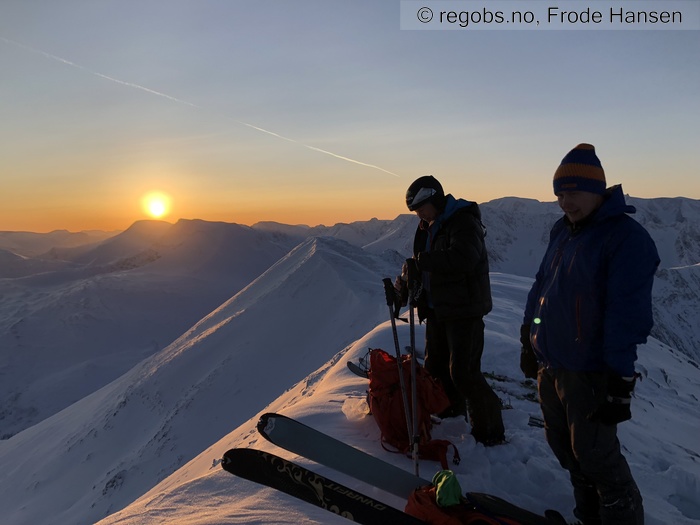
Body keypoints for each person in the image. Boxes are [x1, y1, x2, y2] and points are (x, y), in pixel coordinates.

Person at [520, 144, 660, 525]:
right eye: (559, 194)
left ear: (598, 190)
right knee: (566, 450)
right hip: (553, 365)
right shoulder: (563, 232)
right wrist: (529, 334)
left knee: (598, 459)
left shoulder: (625, 239)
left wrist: (619, 380)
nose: (565, 202)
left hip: (591, 371)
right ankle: (588, 517)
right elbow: (543, 287)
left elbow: (627, 313)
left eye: (573, 193)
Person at [397, 175, 505, 446]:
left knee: (464, 372)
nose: (418, 214)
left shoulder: (463, 221)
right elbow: (421, 265)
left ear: (434, 199)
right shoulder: (426, 227)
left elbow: (464, 258)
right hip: (437, 311)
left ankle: (490, 432)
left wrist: (422, 262)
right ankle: (451, 416)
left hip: (464, 310)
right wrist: (405, 282)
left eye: (421, 207)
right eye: (415, 210)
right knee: (436, 368)